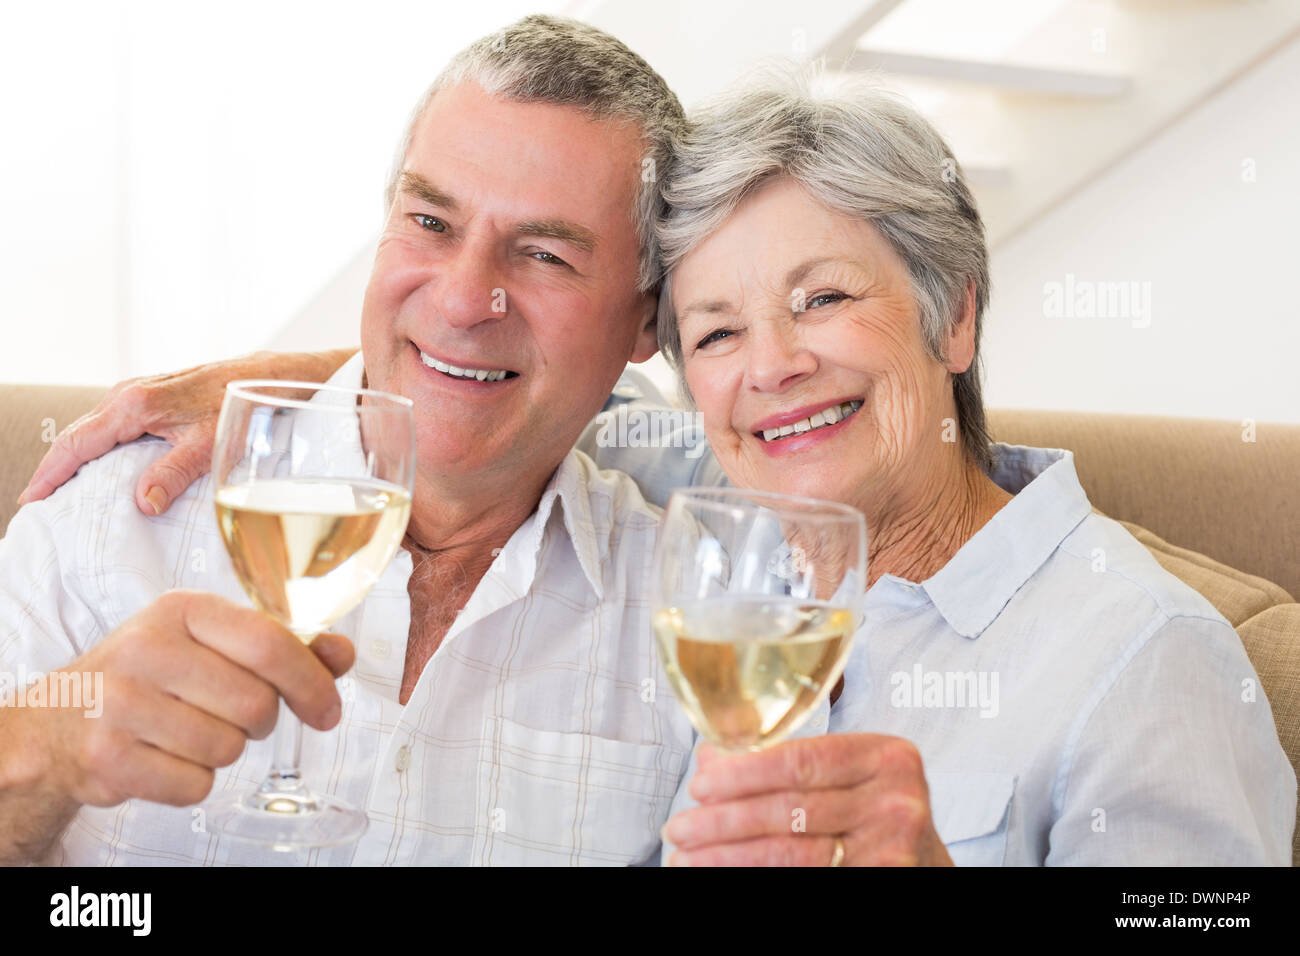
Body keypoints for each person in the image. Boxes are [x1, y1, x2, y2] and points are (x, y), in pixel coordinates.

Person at [15, 66, 1296, 867]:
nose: (771, 367)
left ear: (954, 314)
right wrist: (294, 387)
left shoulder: (1145, 653)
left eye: (826, 298)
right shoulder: (721, 521)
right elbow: (499, 363)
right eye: (719, 331)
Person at [0, 14, 698, 866]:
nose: (461, 299)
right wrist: (37, 750)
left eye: (546, 255)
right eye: (431, 223)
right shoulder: (116, 514)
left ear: (646, 322)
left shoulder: (694, 618)